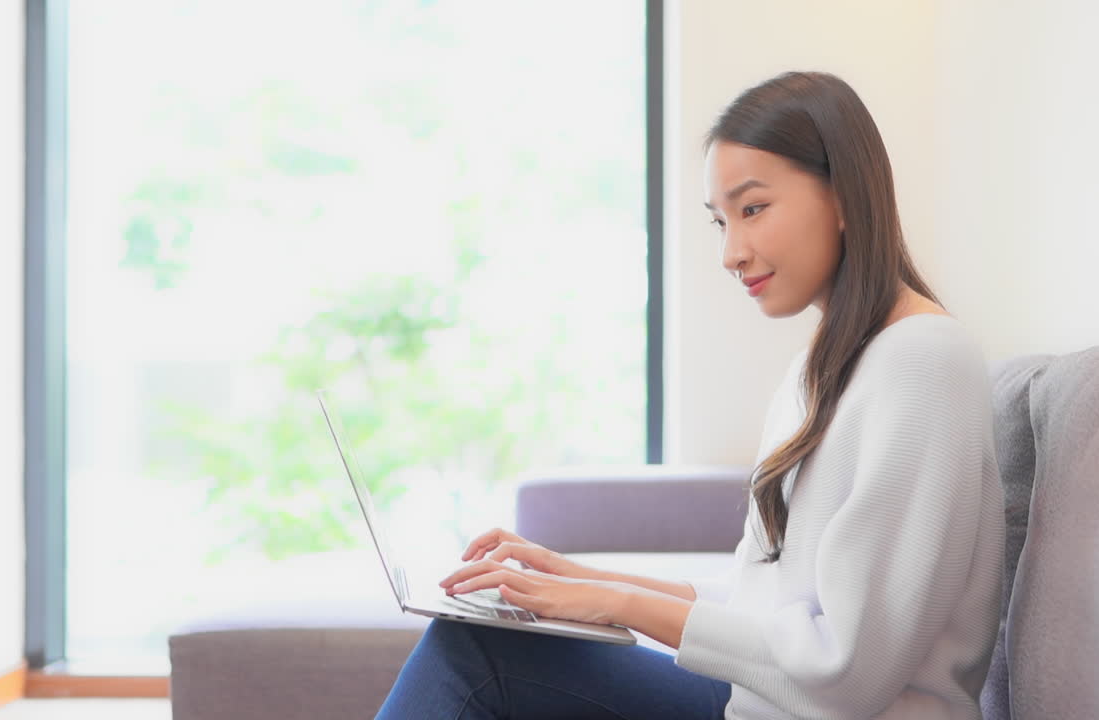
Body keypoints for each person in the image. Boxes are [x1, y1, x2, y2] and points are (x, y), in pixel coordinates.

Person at [375, 70, 1005, 720]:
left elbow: (843, 672)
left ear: (844, 194)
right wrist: (572, 576)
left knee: (474, 664)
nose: (731, 253)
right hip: (760, 705)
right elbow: (760, 603)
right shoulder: (820, 370)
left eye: (753, 208)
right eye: (719, 221)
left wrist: (617, 604)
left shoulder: (925, 361)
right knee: (473, 645)